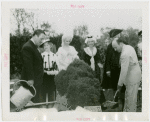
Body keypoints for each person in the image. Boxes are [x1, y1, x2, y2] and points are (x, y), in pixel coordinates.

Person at [112, 37, 142, 112]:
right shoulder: (129, 47)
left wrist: (119, 85)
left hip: (132, 78)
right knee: (130, 99)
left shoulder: (124, 54)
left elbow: (123, 71)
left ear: (121, 44)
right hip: (134, 76)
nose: (115, 50)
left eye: (116, 47)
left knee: (131, 102)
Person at [21, 29, 45, 104]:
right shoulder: (28, 47)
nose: (42, 41)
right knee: (29, 104)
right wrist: (30, 79)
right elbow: (28, 65)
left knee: (34, 103)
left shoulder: (33, 46)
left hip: (36, 81)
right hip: (31, 83)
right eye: (41, 38)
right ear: (35, 36)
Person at [101, 29, 123, 100]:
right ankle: (114, 100)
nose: (118, 36)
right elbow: (107, 59)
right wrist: (107, 70)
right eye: (116, 35)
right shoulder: (110, 46)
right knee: (113, 86)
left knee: (121, 85)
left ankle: (120, 100)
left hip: (121, 68)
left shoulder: (123, 44)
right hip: (113, 69)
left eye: (119, 35)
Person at [40, 38, 58, 108]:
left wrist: (53, 71)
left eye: (47, 45)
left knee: (51, 90)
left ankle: (51, 105)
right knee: (43, 90)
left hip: (52, 74)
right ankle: (43, 105)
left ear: (50, 46)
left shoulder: (54, 55)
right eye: (44, 46)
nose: (46, 47)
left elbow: (57, 66)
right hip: (43, 75)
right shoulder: (41, 55)